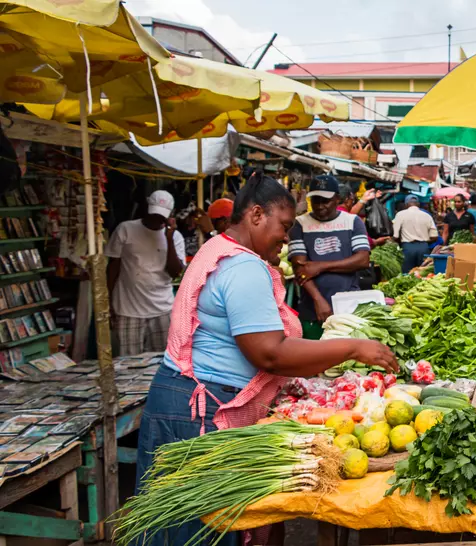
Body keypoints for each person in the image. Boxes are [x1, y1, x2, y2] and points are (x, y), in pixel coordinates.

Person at [135, 175, 397, 546]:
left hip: (184, 402)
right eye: (284, 226)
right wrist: (353, 348)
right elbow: (270, 353)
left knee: (181, 526)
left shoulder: (219, 249)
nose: (287, 238)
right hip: (198, 413)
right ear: (257, 215)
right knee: (196, 531)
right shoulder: (243, 268)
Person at [288, 174, 371, 340]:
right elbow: (300, 268)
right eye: (315, 201)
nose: (319, 206)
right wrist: (319, 300)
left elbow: (362, 260)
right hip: (312, 311)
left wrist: (319, 266)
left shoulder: (353, 221)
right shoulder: (299, 224)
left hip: (349, 308)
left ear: (337, 199)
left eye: (325, 201)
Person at [107, 190, 185, 356]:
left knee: (166, 361)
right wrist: (108, 301)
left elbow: (175, 272)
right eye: (154, 214)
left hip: (163, 309)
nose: (157, 220)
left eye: (162, 217)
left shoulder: (175, 237)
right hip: (128, 310)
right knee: (128, 362)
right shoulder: (125, 229)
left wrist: (169, 239)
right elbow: (113, 267)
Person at [393, 195, 439, 273]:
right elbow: (434, 237)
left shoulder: (400, 215)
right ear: (418, 204)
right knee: (423, 273)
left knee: (407, 274)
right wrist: (424, 241)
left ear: (406, 204)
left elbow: (395, 236)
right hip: (424, 247)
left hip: (407, 248)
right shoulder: (427, 216)